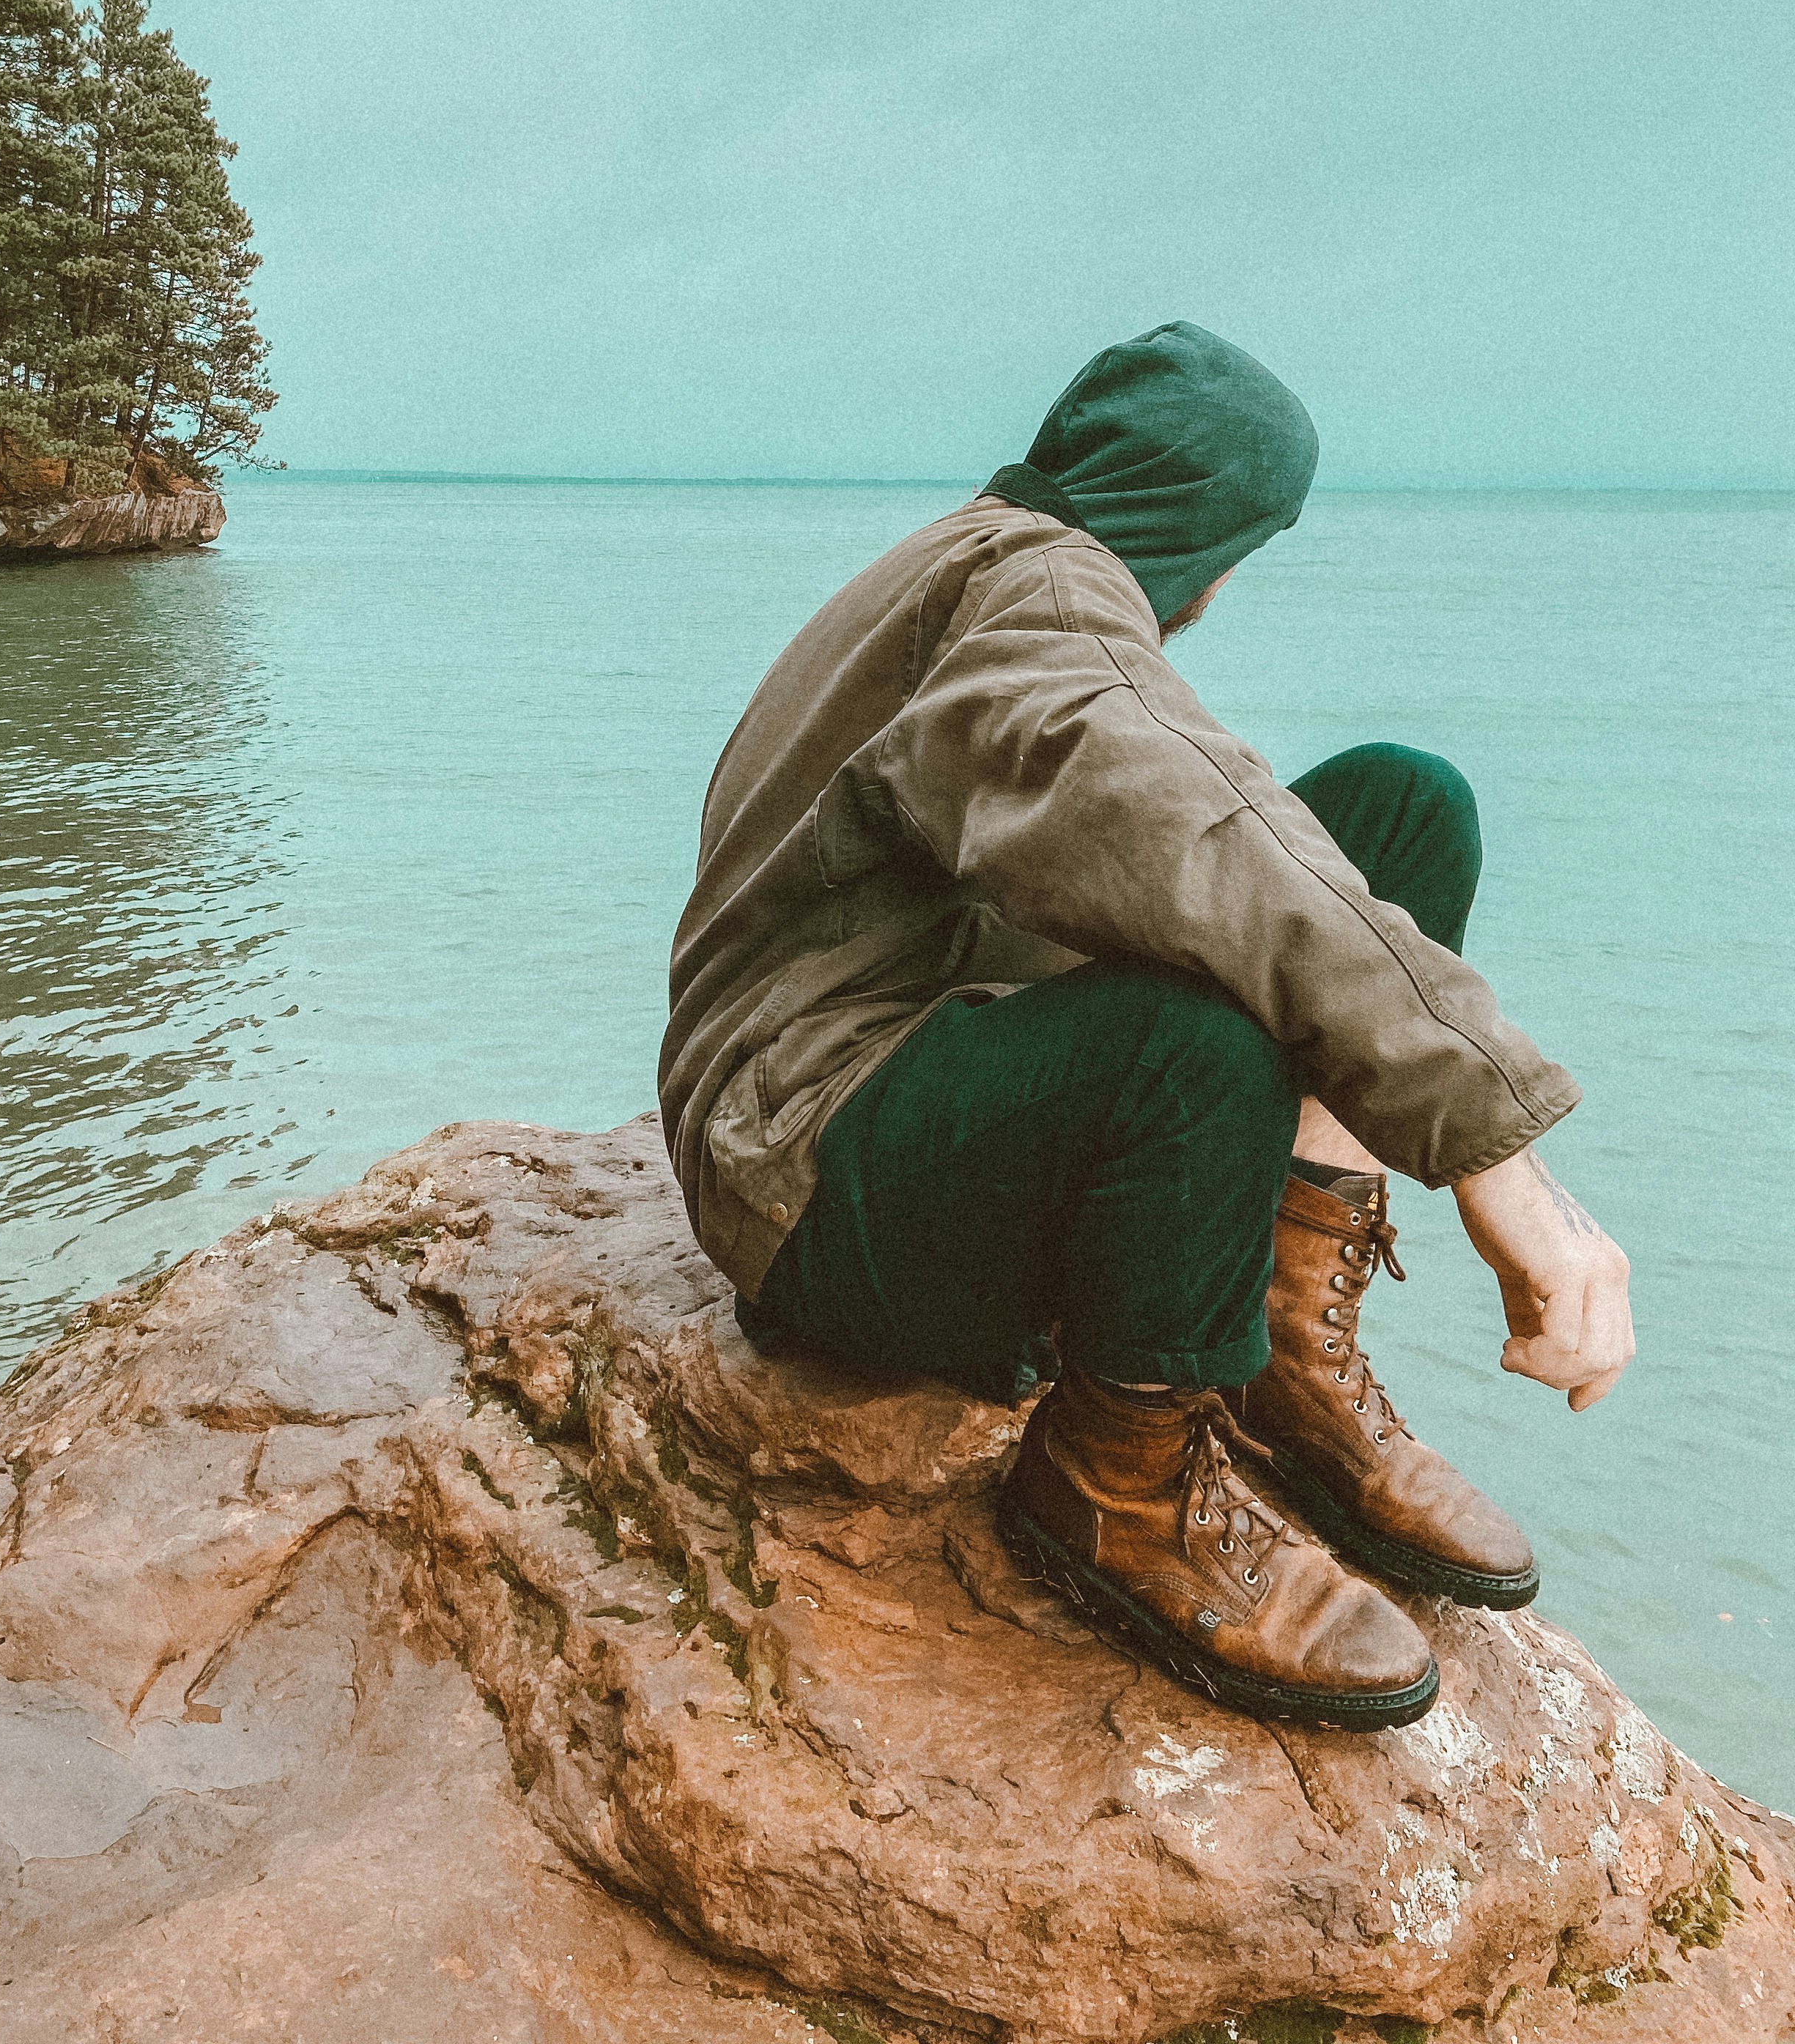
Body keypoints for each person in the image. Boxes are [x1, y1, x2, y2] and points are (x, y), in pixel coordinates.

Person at [659, 322, 1634, 1733]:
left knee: (1398, 812)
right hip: (802, 1174)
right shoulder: (1030, 605)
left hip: (918, 1051)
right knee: (1196, 1037)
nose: (1226, 591)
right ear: (1193, 524)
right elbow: (1175, 811)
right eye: (1241, 544)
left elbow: (1184, 820)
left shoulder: (995, 566)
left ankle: (1281, 1344)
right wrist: (1498, 1160)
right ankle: (1117, 1476)